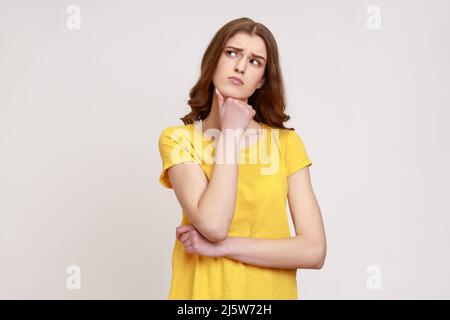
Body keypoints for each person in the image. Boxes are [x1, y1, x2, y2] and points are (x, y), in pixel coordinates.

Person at [158, 17, 327, 300]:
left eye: (255, 61)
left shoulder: (287, 145)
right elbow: (213, 225)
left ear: (261, 80)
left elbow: (314, 251)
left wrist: (223, 247)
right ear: (214, 60)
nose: (240, 66)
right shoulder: (179, 139)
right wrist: (232, 134)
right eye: (232, 53)